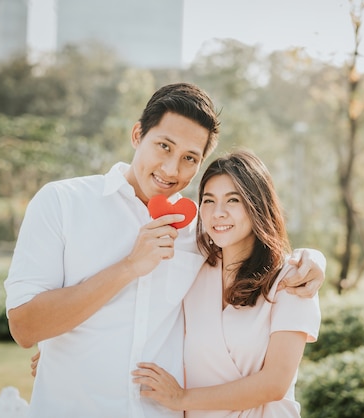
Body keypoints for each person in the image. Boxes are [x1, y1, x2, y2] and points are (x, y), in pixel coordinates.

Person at [5, 82, 326, 418]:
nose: (172, 170)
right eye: (163, 146)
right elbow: (25, 328)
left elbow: (251, 234)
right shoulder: (62, 203)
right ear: (136, 135)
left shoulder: (199, 232)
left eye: (190, 158)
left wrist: (313, 259)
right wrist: (130, 266)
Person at [131, 150, 321, 417]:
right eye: (209, 200)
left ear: (257, 204)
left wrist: (181, 398)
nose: (217, 213)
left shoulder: (292, 280)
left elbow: (275, 383)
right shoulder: (194, 268)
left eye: (233, 200)